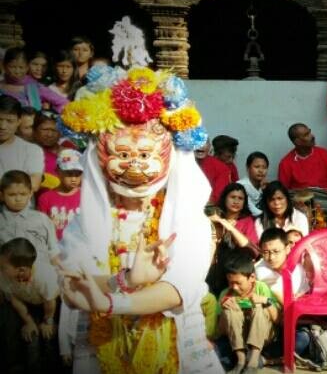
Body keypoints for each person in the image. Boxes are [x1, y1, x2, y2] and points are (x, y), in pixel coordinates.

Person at [56, 54, 221, 372]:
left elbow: (176, 290)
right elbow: (73, 287)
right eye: (123, 154)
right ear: (100, 158)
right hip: (99, 346)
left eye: (145, 154)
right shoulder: (87, 220)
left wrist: (108, 299)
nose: (134, 165)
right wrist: (127, 279)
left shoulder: (187, 218)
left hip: (179, 349)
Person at [0, 238, 60, 372]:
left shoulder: (44, 276)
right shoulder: (3, 276)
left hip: (51, 304)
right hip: (27, 304)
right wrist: (29, 322)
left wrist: (47, 321)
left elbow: (50, 302)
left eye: (3, 267)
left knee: (49, 336)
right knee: (31, 338)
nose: (0, 268)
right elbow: (15, 300)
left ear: (20, 270)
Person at [218, 251, 280, 374]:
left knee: (259, 307)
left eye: (239, 283)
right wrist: (225, 310)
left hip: (264, 336)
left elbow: (277, 320)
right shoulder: (225, 294)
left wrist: (265, 301)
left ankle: (253, 361)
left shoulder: (261, 288)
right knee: (230, 309)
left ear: (252, 278)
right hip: (237, 339)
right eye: (231, 282)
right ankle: (241, 360)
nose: (234, 287)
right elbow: (220, 331)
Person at [0, 170, 60, 265]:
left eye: (23, 194)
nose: (18, 199)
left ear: (30, 193)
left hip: (41, 274)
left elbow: (54, 250)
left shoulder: (42, 220)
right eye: (12, 195)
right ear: (2, 195)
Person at [0, 48, 67, 113]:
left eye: (21, 67)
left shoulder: (35, 87)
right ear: (4, 66)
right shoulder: (1, 86)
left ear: (27, 67)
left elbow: (63, 102)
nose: (17, 71)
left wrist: (52, 113)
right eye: (12, 67)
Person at [277, 123, 327, 192]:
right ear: (298, 142)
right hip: (300, 200)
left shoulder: (324, 153)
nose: (312, 136)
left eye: (309, 132)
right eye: (306, 135)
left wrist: (326, 197)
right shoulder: (285, 163)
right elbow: (283, 191)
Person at [36, 149, 83, 240]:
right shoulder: (45, 198)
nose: (74, 179)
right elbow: (41, 227)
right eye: (69, 174)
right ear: (58, 171)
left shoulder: (85, 197)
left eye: (77, 174)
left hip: (79, 247)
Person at [0, 95, 43, 192]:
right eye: (0, 120)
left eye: (9, 121)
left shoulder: (32, 150)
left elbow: (34, 184)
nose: (2, 126)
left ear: (19, 121)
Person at [200, 134, 239, 204]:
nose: (231, 160)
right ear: (217, 154)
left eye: (233, 157)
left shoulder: (231, 167)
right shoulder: (208, 164)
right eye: (228, 157)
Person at [238, 151, 269, 217]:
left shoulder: (265, 186)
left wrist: (266, 191)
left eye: (264, 167)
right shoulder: (240, 186)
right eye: (257, 167)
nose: (261, 170)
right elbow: (254, 211)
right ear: (247, 167)